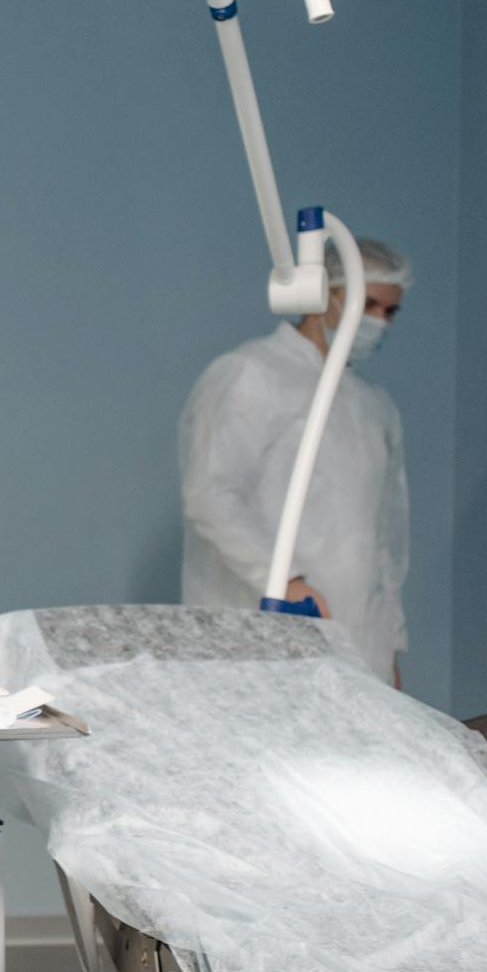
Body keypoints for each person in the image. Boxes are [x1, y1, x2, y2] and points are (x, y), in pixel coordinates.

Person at [178, 236, 412, 686]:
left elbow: (385, 539)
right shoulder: (252, 374)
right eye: (369, 305)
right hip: (263, 629)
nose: (379, 322)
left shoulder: (371, 405)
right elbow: (211, 495)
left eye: (390, 311)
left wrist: (389, 645)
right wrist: (285, 580)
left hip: (358, 643)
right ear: (323, 294)